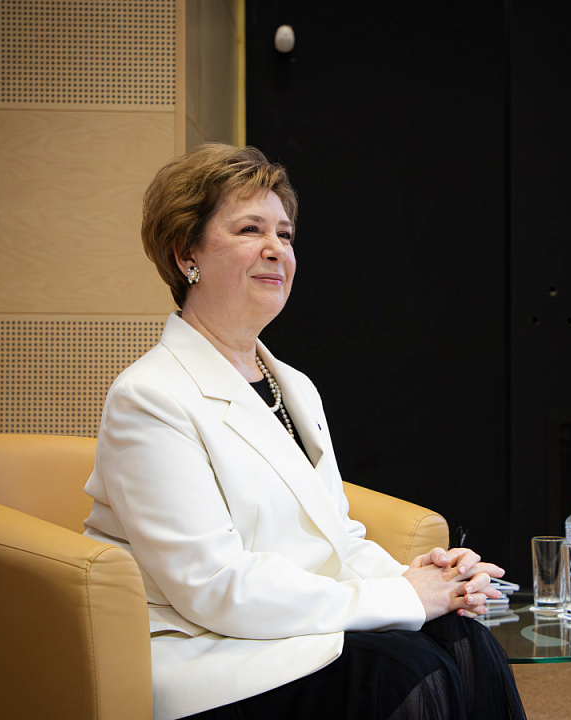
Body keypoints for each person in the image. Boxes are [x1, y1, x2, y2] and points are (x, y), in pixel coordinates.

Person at [83, 143, 527, 720]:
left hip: (291, 629)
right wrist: (400, 598)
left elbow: (337, 540)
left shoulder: (293, 385)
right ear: (185, 252)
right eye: (250, 229)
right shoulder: (148, 397)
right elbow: (214, 585)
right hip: (208, 653)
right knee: (407, 672)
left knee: (466, 640)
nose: (276, 249)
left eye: (285, 235)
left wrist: (421, 580)